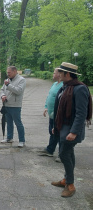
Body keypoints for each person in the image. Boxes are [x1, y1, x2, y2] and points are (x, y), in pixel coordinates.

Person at [51, 62, 92, 197]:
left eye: (61, 72)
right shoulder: (65, 87)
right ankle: (66, 180)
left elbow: (81, 112)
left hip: (72, 129)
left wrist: (74, 132)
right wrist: (54, 126)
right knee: (68, 153)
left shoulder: (80, 89)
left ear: (67, 74)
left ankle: (70, 184)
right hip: (63, 127)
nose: (59, 74)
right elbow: (59, 109)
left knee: (63, 154)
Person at [38, 68, 63, 162]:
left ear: (60, 74)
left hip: (58, 114)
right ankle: (50, 150)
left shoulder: (63, 85)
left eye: (54, 73)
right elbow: (49, 97)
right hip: (52, 114)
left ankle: (62, 154)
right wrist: (46, 107)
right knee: (52, 132)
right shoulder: (54, 84)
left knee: (60, 134)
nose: (52, 74)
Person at [0, 66, 26, 148]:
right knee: (9, 123)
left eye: (9, 72)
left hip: (15, 105)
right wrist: (3, 95)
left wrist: (8, 85)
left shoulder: (21, 80)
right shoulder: (7, 80)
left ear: (14, 71)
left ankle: (22, 140)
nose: (8, 74)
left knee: (18, 123)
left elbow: (19, 91)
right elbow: (2, 90)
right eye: (7, 73)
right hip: (7, 104)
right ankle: (9, 138)